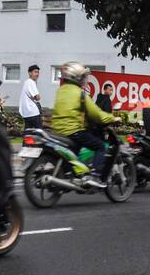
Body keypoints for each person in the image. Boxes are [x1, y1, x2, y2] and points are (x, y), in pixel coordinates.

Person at [49, 61, 114, 189]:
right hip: (74, 131)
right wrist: (113, 118)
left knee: (76, 151)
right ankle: (94, 175)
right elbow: (96, 114)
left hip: (57, 131)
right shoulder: (80, 93)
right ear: (77, 78)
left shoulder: (61, 91)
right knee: (101, 146)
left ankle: (76, 174)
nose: (85, 80)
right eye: (84, 77)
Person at [19, 65, 43, 131]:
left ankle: (25, 141)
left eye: (38, 72)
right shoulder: (31, 82)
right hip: (33, 112)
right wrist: (37, 96)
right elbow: (38, 97)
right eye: (35, 72)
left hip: (26, 113)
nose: (37, 74)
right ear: (29, 73)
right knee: (39, 132)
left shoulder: (26, 82)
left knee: (28, 133)